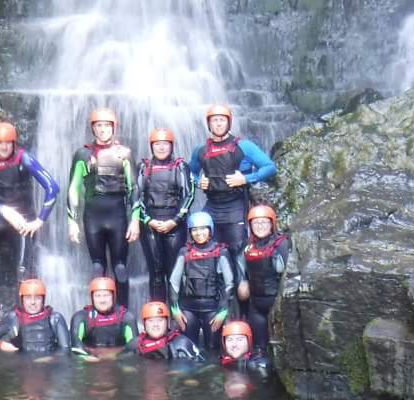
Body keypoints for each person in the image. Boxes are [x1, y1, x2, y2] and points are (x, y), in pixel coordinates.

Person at [0, 121, 59, 296]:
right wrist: (6, 211)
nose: (4, 147)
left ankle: (24, 298)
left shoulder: (24, 159)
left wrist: (39, 220)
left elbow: (52, 188)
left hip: (24, 221)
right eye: (0, 143)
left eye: (8, 142)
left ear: (14, 143)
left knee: (23, 273)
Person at [67, 107, 140, 307]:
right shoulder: (83, 154)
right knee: (97, 268)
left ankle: (123, 314)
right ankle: (99, 314)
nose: (103, 129)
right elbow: (73, 188)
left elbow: (134, 187)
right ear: (93, 128)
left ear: (113, 127)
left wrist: (135, 220)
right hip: (93, 216)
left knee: (120, 269)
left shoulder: (124, 154)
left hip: (118, 215)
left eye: (107, 125)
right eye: (99, 126)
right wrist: (72, 222)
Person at [188, 104, 276, 263]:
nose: (218, 124)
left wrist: (245, 179)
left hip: (236, 205)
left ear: (229, 123)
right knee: (206, 249)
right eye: (215, 120)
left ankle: (241, 278)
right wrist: (198, 182)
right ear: (209, 124)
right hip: (212, 205)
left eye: (222, 120)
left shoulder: (244, 146)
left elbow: (270, 167)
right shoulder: (200, 150)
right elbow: (188, 173)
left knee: (238, 250)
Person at [136, 127, 194, 303]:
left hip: (175, 225)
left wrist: (175, 221)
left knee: (175, 272)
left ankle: (177, 314)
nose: (161, 148)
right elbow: (136, 196)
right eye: (157, 144)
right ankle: (158, 314)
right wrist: (148, 220)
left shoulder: (181, 167)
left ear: (171, 146)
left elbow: (189, 195)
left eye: (165, 144)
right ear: (151, 146)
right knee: (156, 273)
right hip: (150, 225)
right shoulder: (143, 167)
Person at [168, 210, 237, 353]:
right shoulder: (184, 252)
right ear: (190, 232)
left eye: (203, 229)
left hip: (212, 310)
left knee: (213, 349)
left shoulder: (221, 252)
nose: (199, 233)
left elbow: (230, 284)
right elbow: (173, 282)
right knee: (188, 349)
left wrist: (223, 312)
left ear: (210, 230)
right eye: (195, 230)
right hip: (188, 309)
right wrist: (175, 310)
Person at [236, 204, 289, 359]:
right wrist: (242, 281)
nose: (260, 226)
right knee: (259, 348)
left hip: (276, 300)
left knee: (281, 345)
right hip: (256, 303)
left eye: (264, 222)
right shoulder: (247, 245)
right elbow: (239, 267)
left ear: (272, 224)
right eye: (255, 223)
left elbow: (288, 273)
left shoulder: (281, 243)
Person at [0, 278, 70, 355]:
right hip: (21, 364)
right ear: (22, 299)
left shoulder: (55, 318)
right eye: (28, 298)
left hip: (49, 364)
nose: (33, 302)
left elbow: (65, 349)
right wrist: (1, 344)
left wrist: (50, 359)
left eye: (37, 298)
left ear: (43, 300)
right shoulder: (14, 317)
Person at [69, 276, 136, 356]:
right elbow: (77, 348)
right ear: (92, 298)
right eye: (98, 296)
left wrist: (117, 359)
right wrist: (90, 359)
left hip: (119, 359)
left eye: (106, 295)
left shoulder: (126, 317)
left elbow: (133, 347)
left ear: (113, 296)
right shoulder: (81, 317)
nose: (102, 300)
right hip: (90, 360)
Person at [133, 301, 203, 361]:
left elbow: (197, 366)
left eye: (160, 320)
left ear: (168, 323)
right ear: (144, 324)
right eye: (151, 321)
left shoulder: (182, 343)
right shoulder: (136, 344)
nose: (155, 324)